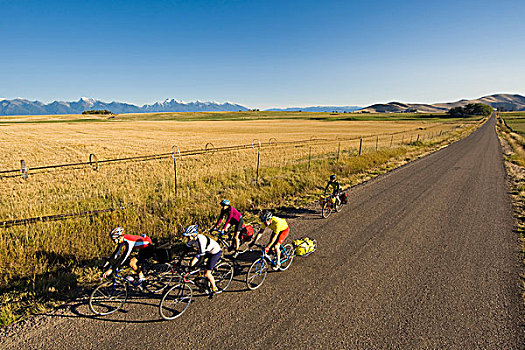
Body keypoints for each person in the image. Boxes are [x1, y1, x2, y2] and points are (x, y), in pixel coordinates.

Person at [183, 224, 222, 298]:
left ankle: (214, 288)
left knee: (207, 274)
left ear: (194, 234)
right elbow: (186, 250)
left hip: (214, 252)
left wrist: (196, 266)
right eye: (187, 237)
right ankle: (199, 278)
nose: (188, 238)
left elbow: (201, 257)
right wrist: (180, 261)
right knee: (192, 263)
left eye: (189, 236)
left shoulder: (201, 240)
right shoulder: (192, 240)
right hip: (205, 251)